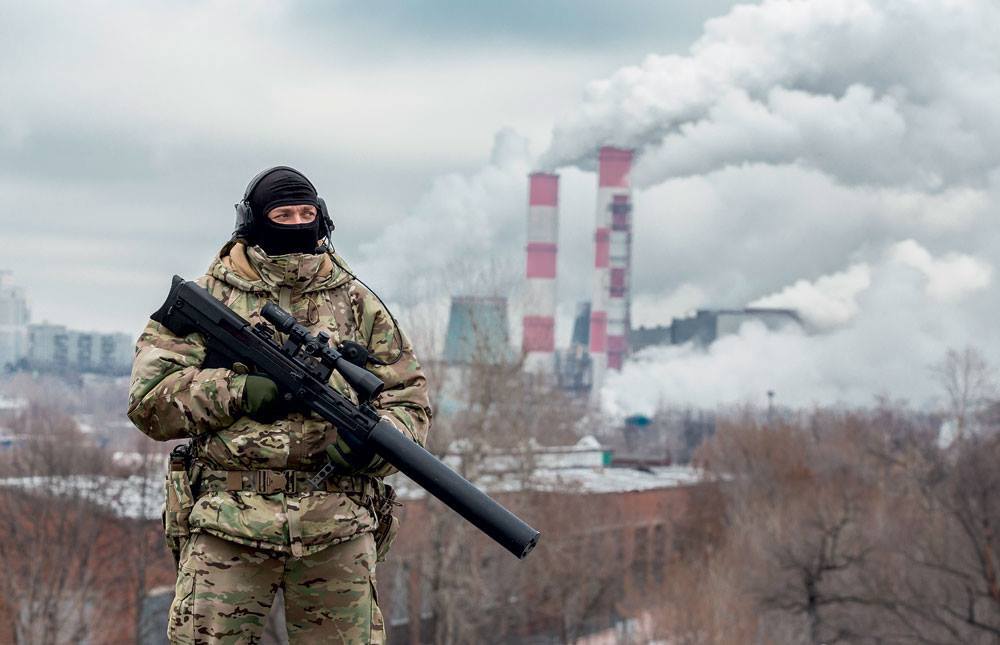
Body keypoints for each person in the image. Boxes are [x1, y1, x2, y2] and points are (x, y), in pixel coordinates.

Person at [128, 166, 432, 644]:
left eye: (306, 213)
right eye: (283, 213)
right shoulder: (211, 295)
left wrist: (372, 448)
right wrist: (239, 390)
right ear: (254, 220)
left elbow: (408, 400)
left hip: (336, 522)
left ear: (323, 219)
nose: (296, 224)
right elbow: (150, 402)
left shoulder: (356, 302)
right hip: (229, 519)